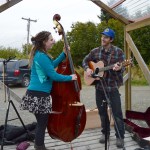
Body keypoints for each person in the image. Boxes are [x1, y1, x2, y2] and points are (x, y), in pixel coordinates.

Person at [20, 31, 77, 150]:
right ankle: (39, 146)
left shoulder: (41, 55)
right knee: (42, 124)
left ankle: (39, 145)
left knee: (42, 123)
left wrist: (63, 54)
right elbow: (54, 75)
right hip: (39, 95)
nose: (53, 41)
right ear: (44, 42)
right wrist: (70, 77)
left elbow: (51, 65)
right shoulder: (41, 56)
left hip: (36, 94)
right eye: (51, 40)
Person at [82, 28, 125, 148]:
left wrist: (119, 68)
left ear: (111, 39)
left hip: (112, 88)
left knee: (117, 113)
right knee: (102, 113)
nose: (103, 38)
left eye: (106, 37)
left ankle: (120, 137)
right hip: (99, 88)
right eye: (102, 36)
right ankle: (105, 134)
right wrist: (88, 69)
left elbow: (123, 67)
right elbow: (85, 61)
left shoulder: (118, 52)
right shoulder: (95, 51)